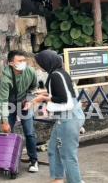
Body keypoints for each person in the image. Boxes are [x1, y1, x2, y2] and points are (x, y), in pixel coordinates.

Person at [33, 50, 85, 183]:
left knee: (68, 155)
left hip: (67, 118)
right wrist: (45, 94)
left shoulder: (55, 76)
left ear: (46, 62)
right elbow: (66, 92)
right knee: (53, 148)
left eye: (39, 63)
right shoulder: (60, 72)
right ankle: (58, 178)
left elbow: (65, 101)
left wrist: (43, 100)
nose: (39, 66)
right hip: (70, 116)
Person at [0, 50, 40, 173]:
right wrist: (5, 121)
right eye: (20, 61)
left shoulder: (30, 72)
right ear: (11, 63)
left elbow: (33, 88)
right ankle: (6, 161)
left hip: (24, 104)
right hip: (10, 104)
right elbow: (3, 100)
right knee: (7, 132)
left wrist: (29, 100)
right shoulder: (6, 78)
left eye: (24, 60)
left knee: (29, 133)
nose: (23, 63)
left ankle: (34, 161)